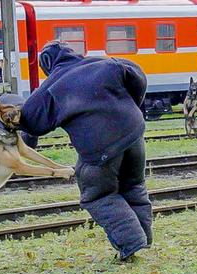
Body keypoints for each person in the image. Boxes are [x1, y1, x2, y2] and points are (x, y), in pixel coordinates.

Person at [17, 41, 152, 261]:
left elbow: (29, 119)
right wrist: (132, 105)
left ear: (46, 65)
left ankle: (131, 242)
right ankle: (143, 237)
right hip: (133, 133)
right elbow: (137, 75)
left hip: (99, 146)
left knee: (97, 194)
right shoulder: (105, 64)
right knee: (133, 185)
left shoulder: (53, 86)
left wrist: (26, 144)